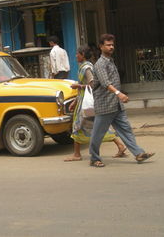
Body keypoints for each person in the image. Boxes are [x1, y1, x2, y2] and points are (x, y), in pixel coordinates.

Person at [89, 34, 155, 167]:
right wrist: (119, 93)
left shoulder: (110, 61)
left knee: (126, 129)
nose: (111, 47)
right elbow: (105, 83)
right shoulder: (100, 64)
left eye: (112, 44)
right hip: (105, 104)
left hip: (116, 105)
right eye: (108, 45)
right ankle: (94, 158)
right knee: (98, 134)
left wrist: (118, 96)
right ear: (101, 47)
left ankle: (138, 153)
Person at [64, 45, 127, 162]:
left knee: (79, 126)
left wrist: (79, 86)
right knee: (92, 126)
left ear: (82, 54)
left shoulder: (87, 68)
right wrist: (75, 101)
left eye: (77, 53)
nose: (76, 56)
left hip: (88, 104)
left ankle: (77, 154)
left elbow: (93, 85)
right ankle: (120, 145)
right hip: (84, 101)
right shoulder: (85, 66)